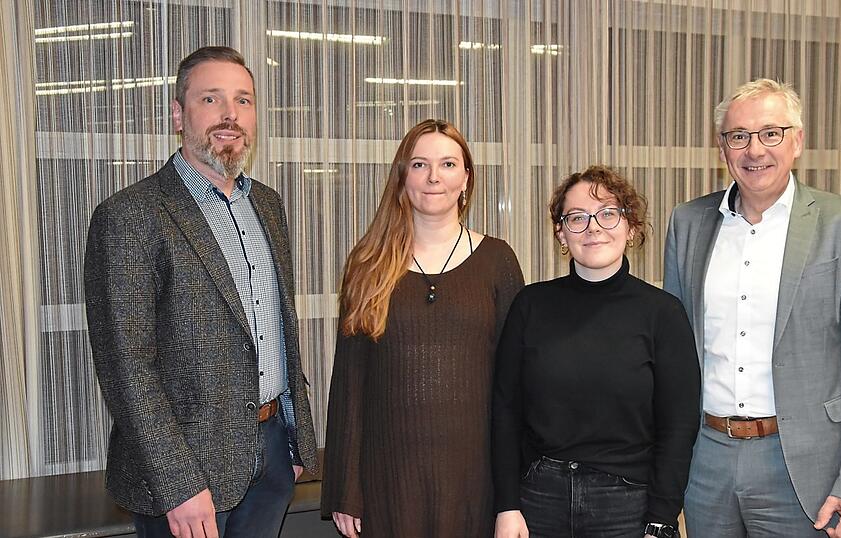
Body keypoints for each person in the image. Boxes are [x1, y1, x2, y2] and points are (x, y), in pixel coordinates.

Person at [84, 46, 318, 538]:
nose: (230, 114)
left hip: (272, 454)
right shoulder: (131, 214)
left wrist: (296, 441)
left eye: (244, 100)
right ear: (178, 113)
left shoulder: (269, 206)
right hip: (189, 476)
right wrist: (178, 485)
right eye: (211, 99)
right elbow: (126, 367)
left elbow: (278, 328)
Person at [663, 79, 841, 538]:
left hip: (804, 466)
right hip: (705, 460)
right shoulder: (687, 223)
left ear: (798, 140)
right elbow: (673, 352)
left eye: (771, 133)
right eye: (739, 136)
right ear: (723, 148)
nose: (755, 150)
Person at [320, 119, 525, 537]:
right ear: (402, 178)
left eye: (448, 164)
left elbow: (515, 387)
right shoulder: (368, 264)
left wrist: (512, 498)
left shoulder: (498, 261)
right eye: (419, 164)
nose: (434, 177)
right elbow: (350, 382)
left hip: (475, 482)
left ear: (466, 178)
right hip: (389, 486)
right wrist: (345, 487)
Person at [493, 165, 700, 538]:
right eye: (577, 217)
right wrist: (507, 505)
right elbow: (505, 412)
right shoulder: (530, 306)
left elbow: (678, 425)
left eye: (607, 213)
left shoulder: (663, 313)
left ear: (631, 226)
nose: (593, 228)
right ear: (560, 231)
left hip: (627, 506)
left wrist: (662, 519)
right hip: (538, 500)